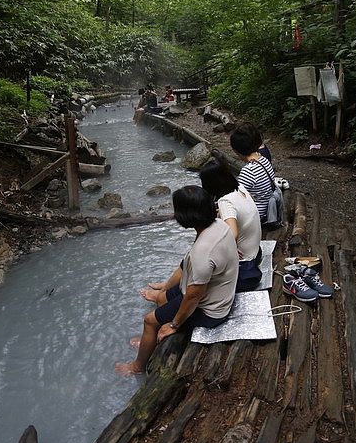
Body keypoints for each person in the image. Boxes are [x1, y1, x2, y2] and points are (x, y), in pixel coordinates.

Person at [115, 186, 239, 376]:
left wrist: (174, 325)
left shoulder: (203, 252)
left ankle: (136, 367)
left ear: (184, 215)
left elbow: (194, 295)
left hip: (210, 310)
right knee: (161, 299)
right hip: (216, 293)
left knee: (149, 321)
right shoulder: (219, 225)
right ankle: (148, 340)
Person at [200, 157, 262, 291]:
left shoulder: (225, 202)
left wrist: (230, 248)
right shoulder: (240, 188)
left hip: (245, 265)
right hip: (257, 253)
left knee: (198, 266)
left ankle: (167, 291)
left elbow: (233, 233)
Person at [230, 124, 276, 223]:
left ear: (236, 150)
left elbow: (236, 199)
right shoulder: (263, 159)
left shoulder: (249, 171)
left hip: (256, 216)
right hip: (266, 208)